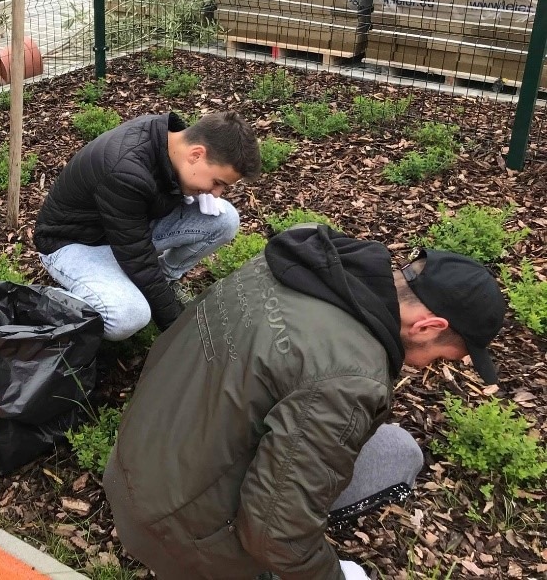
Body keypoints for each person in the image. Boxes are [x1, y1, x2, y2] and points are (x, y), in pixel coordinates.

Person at [103, 223, 507, 580]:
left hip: (130, 468)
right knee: (398, 455)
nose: (430, 367)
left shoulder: (298, 260)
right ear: (428, 326)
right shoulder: (349, 376)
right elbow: (276, 535)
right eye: (440, 358)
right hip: (175, 535)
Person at [33, 111, 261, 341]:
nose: (217, 193)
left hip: (121, 230)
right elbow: (139, 259)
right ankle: (45, 303)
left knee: (225, 220)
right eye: (217, 182)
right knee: (128, 316)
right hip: (72, 243)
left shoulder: (169, 141)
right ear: (196, 154)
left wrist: (186, 191)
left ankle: (165, 280)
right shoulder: (125, 171)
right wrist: (176, 330)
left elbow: (137, 238)